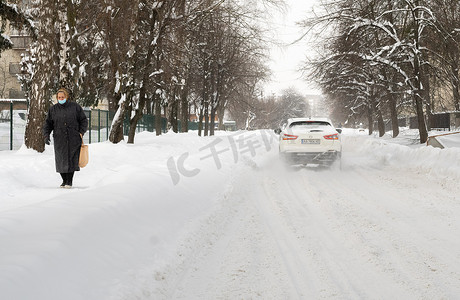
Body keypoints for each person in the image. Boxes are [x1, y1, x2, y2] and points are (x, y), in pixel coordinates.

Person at [43, 88, 88, 188]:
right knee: (61, 160)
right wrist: (46, 135)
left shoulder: (75, 107)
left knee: (72, 160)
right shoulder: (53, 109)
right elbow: (48, 124)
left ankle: (69, 181)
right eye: (59, 97)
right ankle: (64, 180)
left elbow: (84, 120)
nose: (61, 98)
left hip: (74, 138)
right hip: (59, 139)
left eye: (62, 97)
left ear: (66, 97)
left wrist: (81, 132)